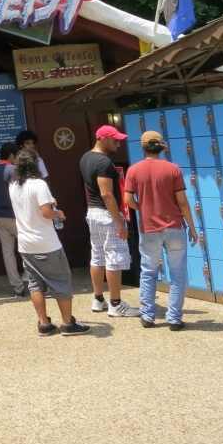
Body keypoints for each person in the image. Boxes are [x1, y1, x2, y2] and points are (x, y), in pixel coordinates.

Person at [8, 149, 90, 336]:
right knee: (61, 281)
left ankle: (43, 323)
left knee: (35, 283)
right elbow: (46, 213)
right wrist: (58, 213)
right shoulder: (39, 184)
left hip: (25, 243)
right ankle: (68, 323)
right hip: (45, 242)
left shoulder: (13, 184)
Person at [123, 130, 200, 330]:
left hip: (149, 228)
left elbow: (128, 200)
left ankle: (148, 316)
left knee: (148, 272)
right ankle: (174, 319)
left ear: (143, 148)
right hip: (174, 226)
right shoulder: (173, 169)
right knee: (178, 273)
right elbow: (182, 202)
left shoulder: (134, 170)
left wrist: (144, 209)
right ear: (161, 147)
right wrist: (192, 228)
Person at [79, 125, 141, 317]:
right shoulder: (103, 162)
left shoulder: (85, 157)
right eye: (115, 139)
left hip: (93, 212)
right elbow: (107, 194)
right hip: (106, 215)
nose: (118, 142)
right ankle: (115, 304)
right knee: (114, 257)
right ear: (103, 139)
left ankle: (98, 299)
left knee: (97, 256)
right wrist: (121, 223)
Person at [0, 142, 26, 298]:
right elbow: (21, 192)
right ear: (12, 156)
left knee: (8, 253)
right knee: (28, 249)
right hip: (16, 215)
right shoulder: (14, 170)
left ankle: (18, 289)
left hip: (0, 215)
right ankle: (36, 282)